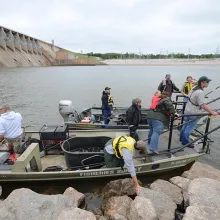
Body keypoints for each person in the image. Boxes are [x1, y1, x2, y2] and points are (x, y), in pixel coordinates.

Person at [180, 76, 219, 147]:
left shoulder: (193, 88)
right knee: (190, 127)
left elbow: (189, 97)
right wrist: (212, 112)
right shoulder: (200, 92)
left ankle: (181, 138)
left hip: (187, 110)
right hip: (194, 112)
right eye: (207, 82)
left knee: (185, 124)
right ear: (202, 83)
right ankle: (185, 142)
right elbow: (202, 105)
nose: (208, 83)